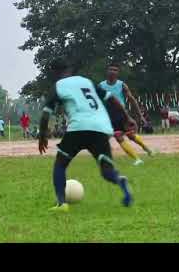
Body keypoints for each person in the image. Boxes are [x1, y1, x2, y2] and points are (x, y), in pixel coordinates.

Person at [38, 58, 134, 212]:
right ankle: (119, 180)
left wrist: (42, 136)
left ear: (55, 72)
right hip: (101, 128)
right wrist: (127, 117)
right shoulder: (86, 81)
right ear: (69, 70)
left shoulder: (59, 85)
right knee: (107, 170)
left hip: (78, 127)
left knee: (60, 164)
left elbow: (45, 114)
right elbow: (112, 99)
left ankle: (62, 203)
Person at [99, 63, 154, 166]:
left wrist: (140, 116)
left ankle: (146, 149)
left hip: (122, 113)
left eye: (115, 70)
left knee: (131, 136)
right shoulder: (101, 86)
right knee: (118, 137)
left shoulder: (121, 85)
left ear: (118, 73)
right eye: (110, 69)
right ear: (107, 72)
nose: (112, 71)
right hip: (109, 115)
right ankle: (137, 159)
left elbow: (132, 100)